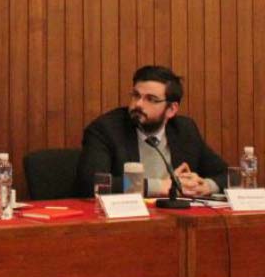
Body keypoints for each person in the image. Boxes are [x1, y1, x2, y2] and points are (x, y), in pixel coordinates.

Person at [75, 64, 227, 199]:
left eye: (151, 99)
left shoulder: (184, 130)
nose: (138, 104)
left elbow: (227, 175)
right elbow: (91, 183)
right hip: (129, 217)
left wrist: (205, 186)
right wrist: (159, 186)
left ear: (171, 109)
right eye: (136, 95)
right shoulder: (106, 129)